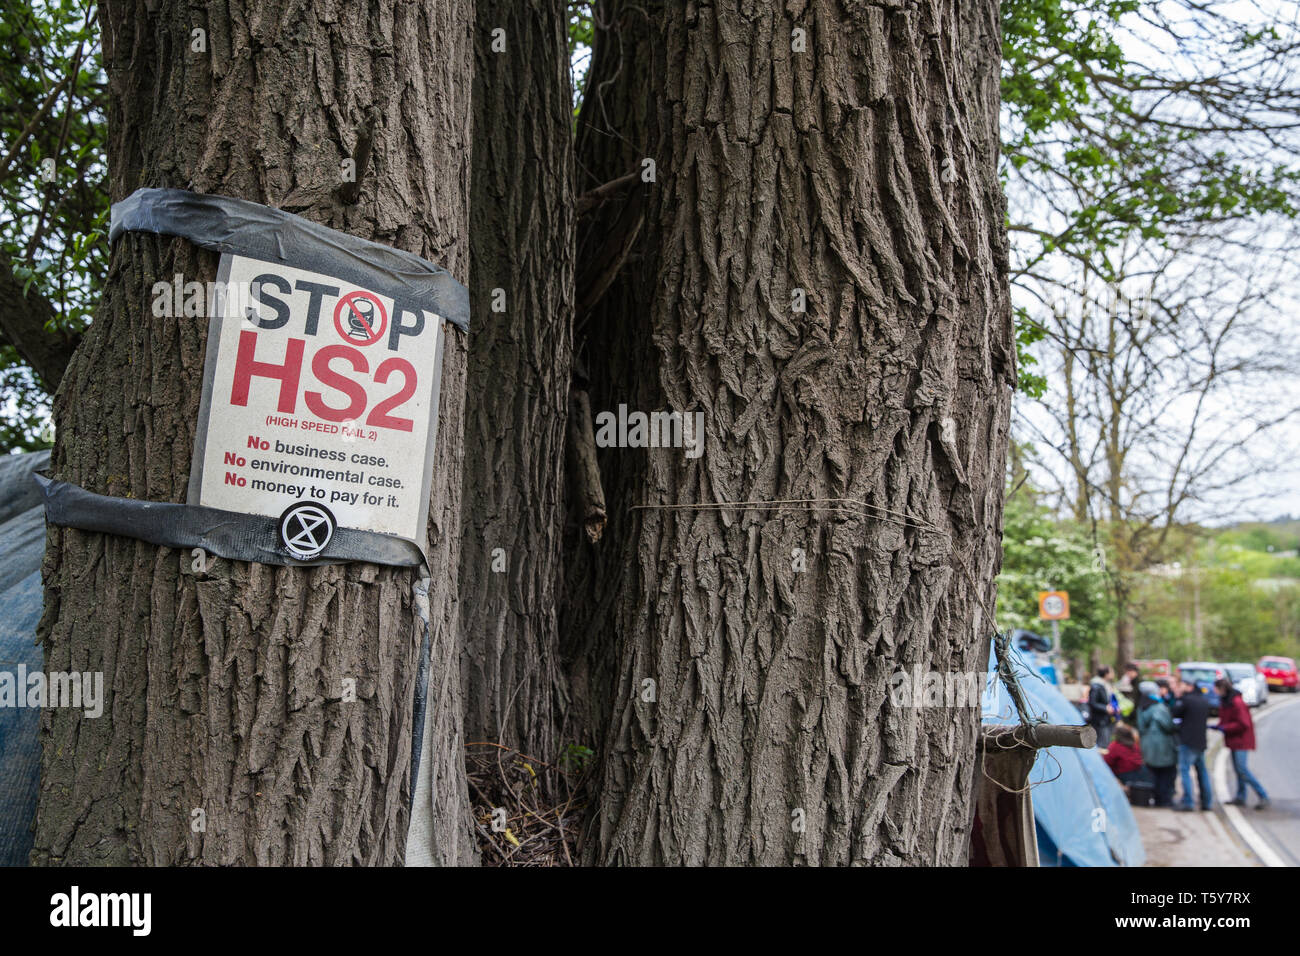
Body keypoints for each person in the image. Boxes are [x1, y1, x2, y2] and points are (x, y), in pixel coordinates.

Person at [1213, 678, 1271, 810]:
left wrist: (1226, 728)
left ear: (1222, 688)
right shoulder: (1226, 701)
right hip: (1234, 740)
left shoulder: (1236, 702)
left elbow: (1243, 723)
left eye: (1216, 689)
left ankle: (1263, 795)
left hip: (1241, 741)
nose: (1214, 692)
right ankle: (1240, 796)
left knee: (1242, 769)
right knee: (1238, 770)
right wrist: (1219, 726)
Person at [1169, 678, 1213, 811]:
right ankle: (1207, 802)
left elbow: (1174, 713)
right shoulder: (1204, 700)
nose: (1178, 687)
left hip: (1188, 742)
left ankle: (1188, 802)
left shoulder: (1186, 700)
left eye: (1180, 685)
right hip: (1201, 742)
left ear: (1189, 686)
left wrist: (1177, 698)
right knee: (1202, 772)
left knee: (1185, 771)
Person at [1137, 681, 1177, 807]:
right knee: (1166, 774)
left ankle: (1154, 798)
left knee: (1153, 774)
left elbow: (1141, 728)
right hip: (1163, 747)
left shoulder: (1141, 707)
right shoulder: (1159, 707)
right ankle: (1165, 800)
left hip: (1147, 746)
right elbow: (1168, 726)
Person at [1088, 666, 1117, 747]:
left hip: (1106, 719)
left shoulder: (1106, 685)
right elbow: (1092, 703)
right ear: (1106, 674)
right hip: (1099, 720)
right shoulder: (1096, 686)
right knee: (1102, 743)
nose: (1113, 674)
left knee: (1106, 741)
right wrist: (1105, 708)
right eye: (1112, 672)